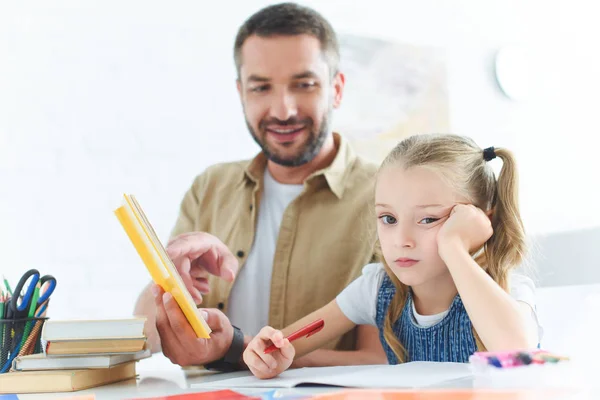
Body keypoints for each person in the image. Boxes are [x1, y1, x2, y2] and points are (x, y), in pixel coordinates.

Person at [133, 2, 387, 370]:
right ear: (241, 93)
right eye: (261, 88)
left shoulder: (385, 196)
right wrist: (167, 287)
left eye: (304, 85)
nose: (283, 110)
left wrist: (236, 350)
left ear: (337, 89)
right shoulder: (210, 187)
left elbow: (379, 359)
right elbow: (148, 336)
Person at [243, 133, 543, 379]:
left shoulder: (508, 291)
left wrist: (454, 248)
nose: (402, 241)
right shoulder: (376, 288)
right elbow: (284, 344)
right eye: (388, 219)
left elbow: (515, 350)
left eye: (427, 220)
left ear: (480, 220)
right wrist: (268, 355)